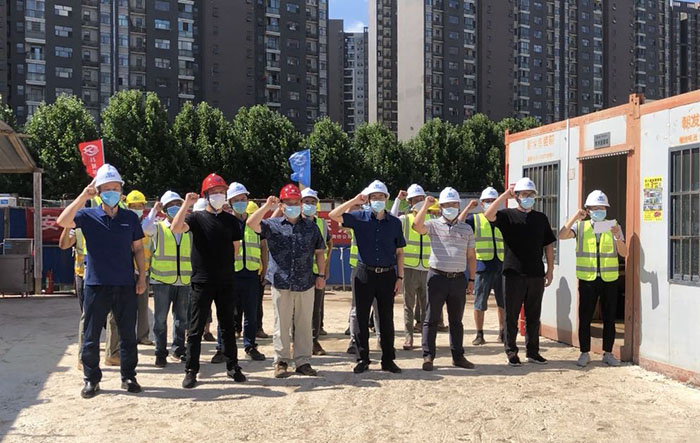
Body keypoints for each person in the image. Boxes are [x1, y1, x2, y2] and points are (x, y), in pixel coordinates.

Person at [56, 164, 147, 399]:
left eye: (116, 188)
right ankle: (91, 379)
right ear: (98, 191)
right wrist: (83, 196)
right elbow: (63, 221)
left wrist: (142, 277)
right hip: (96, 285)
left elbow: (138, 249)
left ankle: (128, 376)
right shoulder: (87, 215)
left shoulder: (130, 218)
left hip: (125, 283)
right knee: (91, 335)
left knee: (127, 334)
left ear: (122, 191)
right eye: (107, 188)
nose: (112, 192)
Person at [170, 173, 246, 389]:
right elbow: (176, 228)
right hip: (202, 281)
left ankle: (232, 366)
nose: (218, 195)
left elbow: (235, 249)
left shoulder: (232, 221)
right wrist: (186, 204)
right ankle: (191, 370)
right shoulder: (196, 218)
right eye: (214, 192)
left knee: (228, 326)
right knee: (195, 328)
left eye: (221, 192)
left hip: (226, 281)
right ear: (206, 195)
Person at [247, 184, 326, 378]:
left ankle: (303, 361)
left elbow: (319, 253)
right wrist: (267, 207)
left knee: (304, 324)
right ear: (281, 205)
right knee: (281, 325)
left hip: (305, 282)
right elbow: (251, 223)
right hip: (281, 283)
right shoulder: (272, 225)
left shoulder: (311, 227)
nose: (293, 206)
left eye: (296, 202)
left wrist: (321, 275)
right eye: (288, 203)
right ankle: (281, 361)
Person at [329, 180, 406, 374]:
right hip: (364, 273)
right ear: (368, 199)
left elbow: (399, 252)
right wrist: (355, 200)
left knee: (386, 318)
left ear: (386, 199)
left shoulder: (395, 223)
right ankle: (362, 358)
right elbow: (333, 215)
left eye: (381, 197)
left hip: (387, 275)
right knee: (361, 317)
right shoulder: (359, 218)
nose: (377, 200)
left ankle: (388, 359)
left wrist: (400, 277)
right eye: (374, 197)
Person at [484, 177, 555, 367]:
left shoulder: (541, 218)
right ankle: (511, 351)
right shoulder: (507, 215)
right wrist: (504, 196)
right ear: (517, 196)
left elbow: (548, 245)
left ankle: (533, 352)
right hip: (513, 273)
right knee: (511, 315)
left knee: (533, 315)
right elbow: (488, 215)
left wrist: (550, 270)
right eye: (524, 194)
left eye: (531, 194)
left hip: (536, 274)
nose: (528, 197)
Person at [559, 190, 626, 367]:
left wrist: (618, 236)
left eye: (602, 208)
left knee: (609, 318)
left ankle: (608, 353)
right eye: (595, 208)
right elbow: (561, 235)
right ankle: (584, 353)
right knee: (585, 317)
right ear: (588, 210)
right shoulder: (581, 227)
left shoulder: (613, 226)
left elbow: (624, 252)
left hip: (609, 279)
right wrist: (575, 217)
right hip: (588, 279)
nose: (599, 211)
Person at [413, 188, 476, 370]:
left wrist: (472, 279)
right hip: (437, 277)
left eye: (453, 204)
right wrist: (426, 205)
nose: (450, 207)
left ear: (459, 205)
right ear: (440, 207)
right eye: (446, 204)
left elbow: (471, 256)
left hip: (458, 279)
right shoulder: (433, 225)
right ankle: (428, 356)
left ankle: (458, 356)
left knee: (456, 321)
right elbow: (417, 226)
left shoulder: (466, 228)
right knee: (431, 318)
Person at [210, 182, 266, 363]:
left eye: (243, 199)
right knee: (225, 313)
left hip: (251, 273)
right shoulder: (224, 221)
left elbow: (263, 246)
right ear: (230, 202)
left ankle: (250, 346)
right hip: (230, 274)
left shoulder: (255, 222)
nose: (240, 202)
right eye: (236, 200)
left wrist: (264, 268)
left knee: (251, 313)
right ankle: (221, 348)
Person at [142, 191, 192, 368]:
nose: (175, 208)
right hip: (162, 281)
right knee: (160, 320)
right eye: (170, 206)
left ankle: (178, 349)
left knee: (182, 320)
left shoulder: (188, 228)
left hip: (184, 280)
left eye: (178, 204)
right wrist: (153, 211)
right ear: (164, 209)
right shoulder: (157, 227)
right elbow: (144, 228)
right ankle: (160, 352)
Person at [459, 187, 506, 345]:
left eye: (493, 200)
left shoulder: (503, 218)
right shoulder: (475, 219)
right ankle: (479, 334)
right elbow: (459, 224)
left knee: (502, 302)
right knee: (480, 303)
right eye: (487, 201)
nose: (490, 203)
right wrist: (467, 208)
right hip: (482, 266)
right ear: (482, 203)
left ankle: (502, 332)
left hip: (501, 266)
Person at [390, 184, 430, 351]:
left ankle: (427, 338)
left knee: (427, 306)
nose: (419, 201)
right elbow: (390, 219)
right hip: (409, 268)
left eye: (421, 198)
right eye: (416, 199)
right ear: (410, 202)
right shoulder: (404, 220)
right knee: (408, 305)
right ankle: (409, 337)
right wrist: (397, 200)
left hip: (428, 268)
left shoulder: (431, 220)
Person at [300, 188, 333, 356]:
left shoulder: (321, 224)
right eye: (306, 202)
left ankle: (314, 341)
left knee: (316, 308)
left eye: (313, 202)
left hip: (317, 272)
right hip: (299, 273)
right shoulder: (294, 222)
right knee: (297, 310)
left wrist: (325, 267)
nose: (310, 205)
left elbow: (329, 243)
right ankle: (297, 342)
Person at [125, 190, 154, 346]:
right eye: (133, 206)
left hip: (143, 271)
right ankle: (127, 335)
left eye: (139, 206)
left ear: (144, 207)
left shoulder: (150, 225)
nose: (136, 209)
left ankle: (143, 336)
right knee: (126, 306)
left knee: (143, 306)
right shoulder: (123, 223)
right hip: (126, 272)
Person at [58, 226, 86, 369]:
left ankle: (112, 354)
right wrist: (68, 225)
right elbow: (64, 244)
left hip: (104, 276)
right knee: (87, 316)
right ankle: (84, 357)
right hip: (83, 275)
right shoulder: (78, 228)